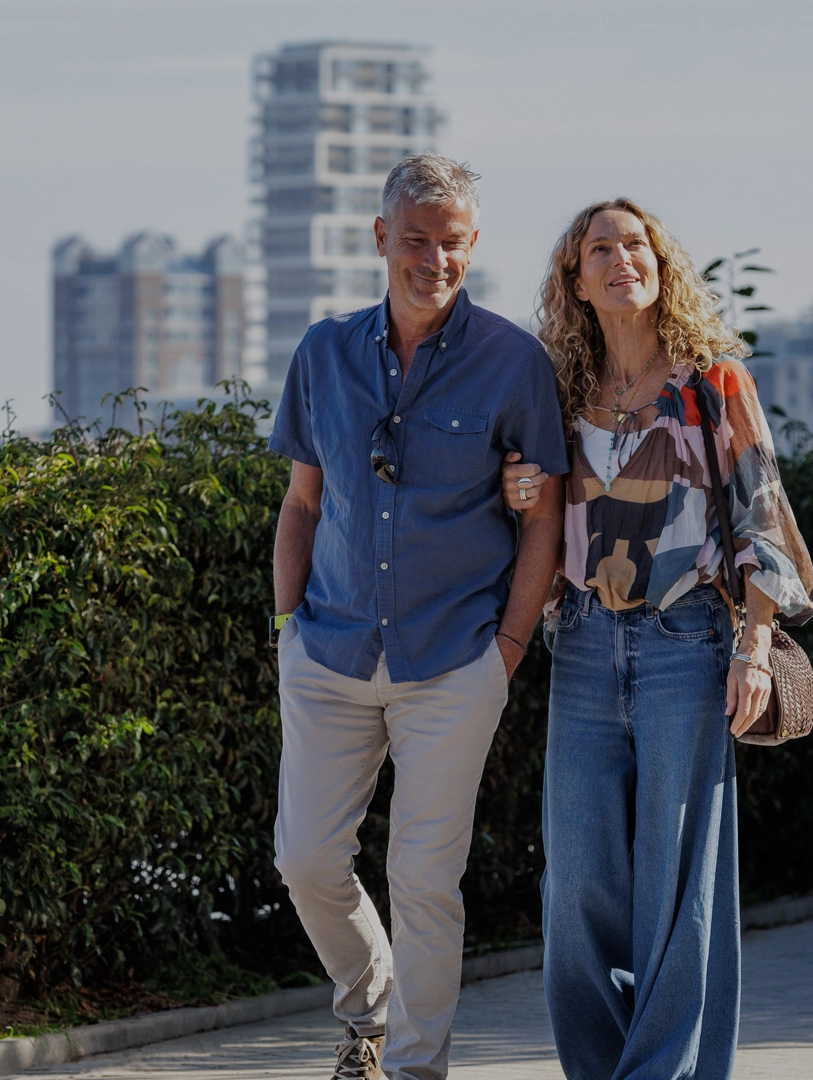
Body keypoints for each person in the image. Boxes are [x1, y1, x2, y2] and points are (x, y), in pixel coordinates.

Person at [268, 154, 568, 1080]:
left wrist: (507, 649)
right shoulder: (323, 352)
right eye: (415, 241)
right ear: (380, 239)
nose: (434, 260)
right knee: (305, 860)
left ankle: (412, 1068)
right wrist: (286, 630)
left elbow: (545, 517)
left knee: (425, 879)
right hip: (328, 650)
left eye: (452, 243)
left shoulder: (514, 362)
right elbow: (302, 504)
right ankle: (370, 1010)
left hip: (454, 662)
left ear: (473, 247)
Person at [503, 199, 813, 1079]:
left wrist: (754, 650)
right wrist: (518, 489)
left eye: (635, 244)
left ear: (661, 264)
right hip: (582, 647)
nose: (621, 259)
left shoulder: (713, 383)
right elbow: (531, 520)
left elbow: (763, 522)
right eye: (600, 248)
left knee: (679, 891)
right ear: (576, 281)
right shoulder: (559, 394)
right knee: (576, 888)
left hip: (688, 643)